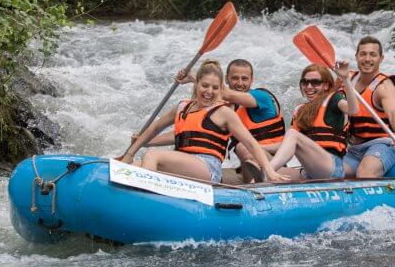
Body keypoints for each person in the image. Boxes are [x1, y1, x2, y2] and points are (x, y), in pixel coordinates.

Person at [119, 60, 289, 184]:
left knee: (152, 156)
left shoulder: (226, 111)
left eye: (215, 88)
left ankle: (146, 200)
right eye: (205, 86)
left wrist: (269, 170)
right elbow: (156, 128)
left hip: (208, 167)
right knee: (135, 165)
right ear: (197, 85)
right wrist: (132, 152)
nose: (210, 91)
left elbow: (251, 143)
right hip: (186, 161)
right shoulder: (183, 107)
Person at [176, 59, 285, 183]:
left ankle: (260, 181)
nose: (239, 83)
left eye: (244, 79)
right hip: (245, 171)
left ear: (251, 80)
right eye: (235, 78)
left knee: (242, 147)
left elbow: (227, 94)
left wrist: (193, 77)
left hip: (274, 163)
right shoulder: (223, 109)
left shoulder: (262, 97)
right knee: (200, 173)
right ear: (227, 79)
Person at [247, 61, 358, 181]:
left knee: (292, 136)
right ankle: (254, 186)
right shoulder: (300, 110)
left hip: (332, 167)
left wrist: (346, 79)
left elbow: (353, 110)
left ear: (325, 85)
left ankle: (267, 172)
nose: (309, 86)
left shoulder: (334, 99)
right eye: (305, 82)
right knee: (273, 172)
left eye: (315, 82)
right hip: (309, 171)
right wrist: (257, 146)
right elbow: (287, 144)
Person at [343, 36, 395, 179]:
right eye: (363, 54)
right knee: (334, 173)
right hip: (353, 149)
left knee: (364, 174)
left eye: (373, 54)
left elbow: (393, 113)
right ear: (356, 56)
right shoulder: (347, 79)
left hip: (382, 145)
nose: (367, 59)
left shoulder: (384, 86)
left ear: (381, 58)